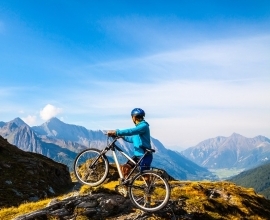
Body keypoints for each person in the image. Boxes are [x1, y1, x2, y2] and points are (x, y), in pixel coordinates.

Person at [107, 108, 153, 179]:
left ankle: (149, 188)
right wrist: (122, 136)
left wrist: (117, 132)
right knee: (125, 168)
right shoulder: (139, 127)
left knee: (145, 175)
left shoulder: (143, 126)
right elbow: (133, 139)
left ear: (134, 117)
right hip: (137, 155)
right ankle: (126, 185)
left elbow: (131, 131)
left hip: (145, 155)